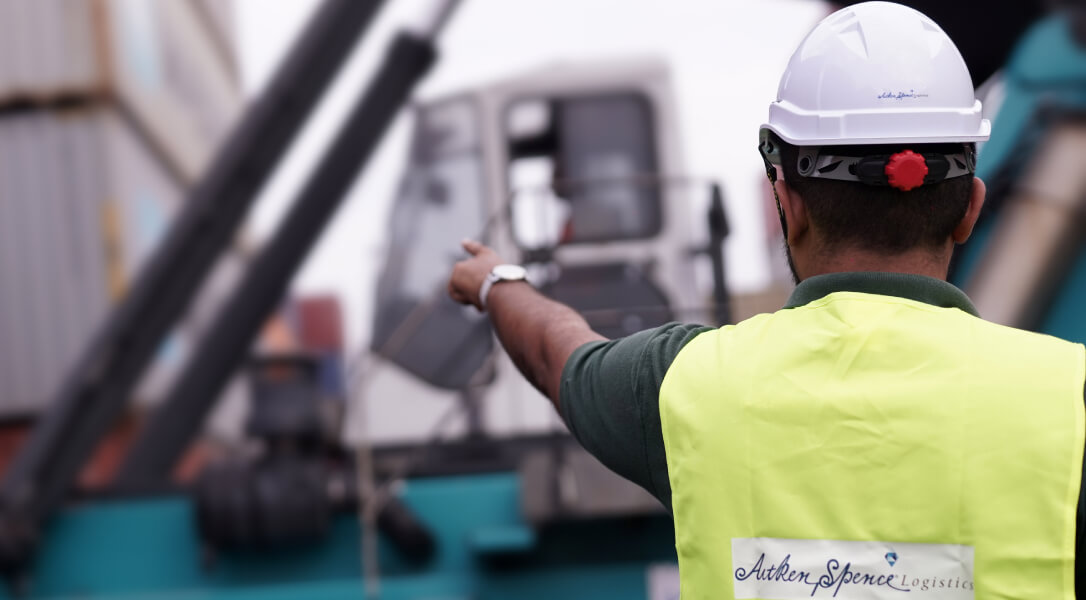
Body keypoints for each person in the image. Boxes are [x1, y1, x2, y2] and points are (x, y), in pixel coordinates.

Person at [447, 2, 1085, 598]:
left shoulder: (685, 387)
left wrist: (497, 282)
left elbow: (555, 351)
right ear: (969, 208)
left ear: (788, 202)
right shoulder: (1068, 401)